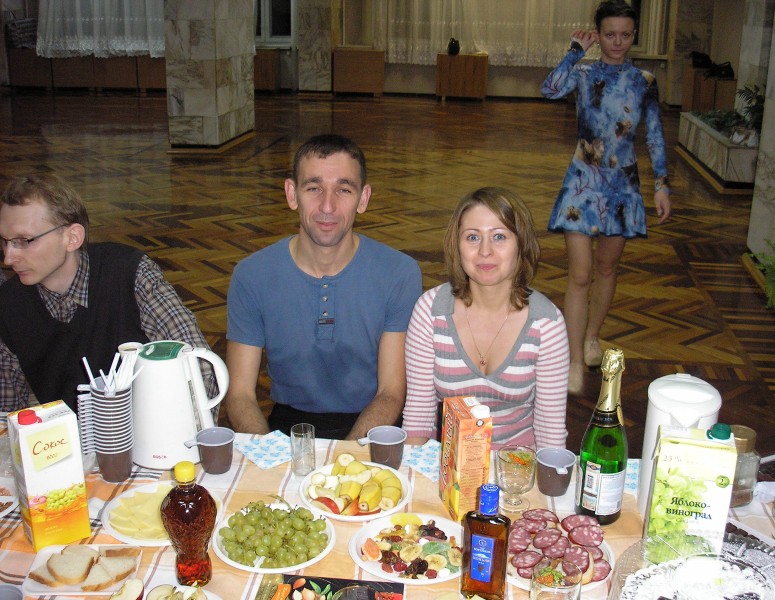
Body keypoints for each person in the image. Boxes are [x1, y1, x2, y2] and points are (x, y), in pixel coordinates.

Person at [225, 134, 422, 440]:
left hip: (372, 425)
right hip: (288, 428)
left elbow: (390, 393)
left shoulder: (399, 273)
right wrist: (267, 452)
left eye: (344, 189)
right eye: (313, 188)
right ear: (292, 194)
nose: (327, 206)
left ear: (363, 199)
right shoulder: (251, 275)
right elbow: (240, 395)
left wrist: (346, 459)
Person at [0, 174, 216, 413]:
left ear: (72, 238)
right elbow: (7, 411)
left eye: (24, 241)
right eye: (5, 241)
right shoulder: (8, 305)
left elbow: (199, 368)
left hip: (149, 427)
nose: (8, 258)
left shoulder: (128, 273)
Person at [541, 0, 671, 394]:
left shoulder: (644, 80)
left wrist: (661, 184)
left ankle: (591, 338)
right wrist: (574, 51)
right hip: (582, 182)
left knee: (607, 268)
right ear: (598, 35)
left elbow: (654, 134)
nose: (617, 42)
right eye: (610, 34)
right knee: (580, 274)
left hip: (622, 186)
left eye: (625, 35)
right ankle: (573, 361)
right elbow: (550, 89)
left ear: (634, 36)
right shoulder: (583, 73)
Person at [402, 187, 569, 450]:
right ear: (457, 246)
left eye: (499, 236)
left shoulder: (546, 323)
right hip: (450, 464)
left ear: (521, 244)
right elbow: (418, 417)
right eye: (472, 237)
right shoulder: (431, 311)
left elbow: (550, 432)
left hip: (519, 465)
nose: (485, 251)